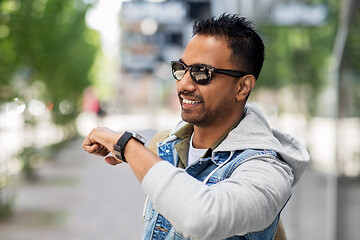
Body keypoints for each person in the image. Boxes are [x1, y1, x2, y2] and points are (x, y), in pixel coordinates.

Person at [82, 14, 310, 240]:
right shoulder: (164, 145)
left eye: (202, 73)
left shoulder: (267, 170)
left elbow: (202, 218)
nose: (183, 84)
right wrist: (134, 153)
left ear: (242, 86)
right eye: (181, 69)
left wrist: (127, 146)